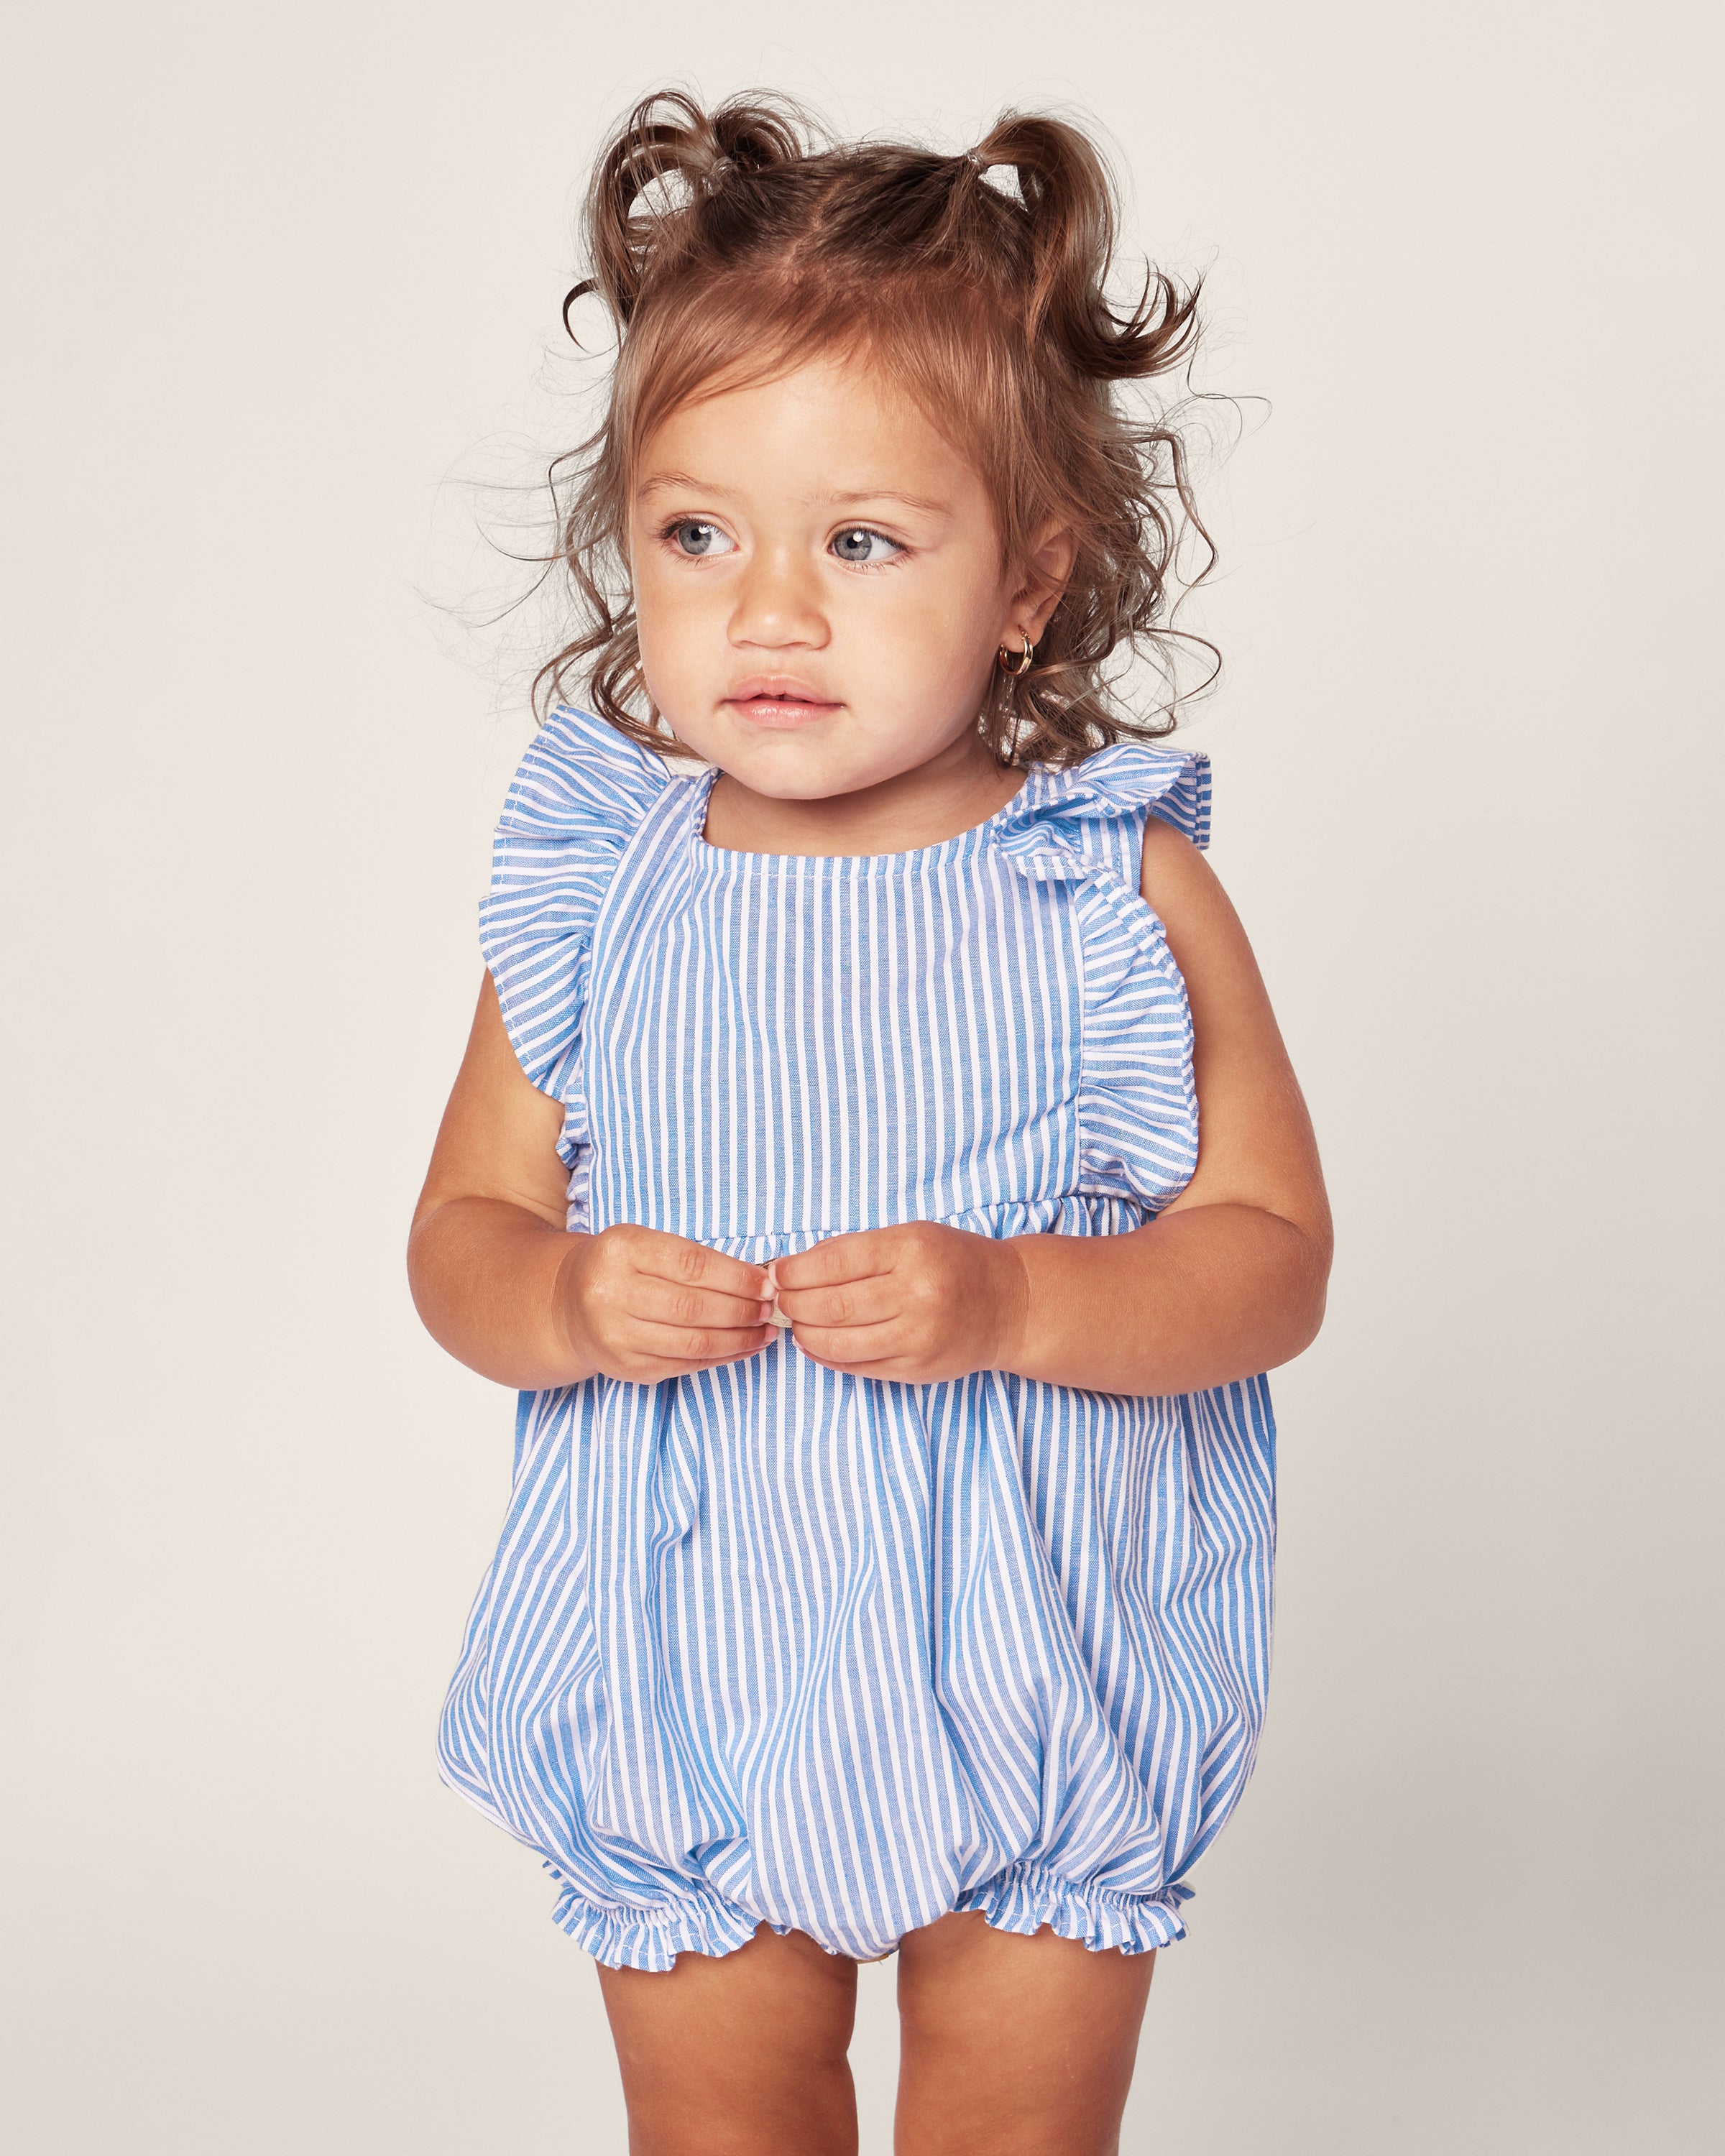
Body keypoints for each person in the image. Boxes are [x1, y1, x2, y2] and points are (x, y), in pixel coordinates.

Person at [408, 87, 1331, 2156]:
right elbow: (459, 1237)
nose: (770, 609)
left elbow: (1270, 1261)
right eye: (697, 533)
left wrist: (1015, 1298)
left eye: (864, 541)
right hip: (690, 1682)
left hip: (1038, 1674)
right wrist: (560, 1290)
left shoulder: (1109, 887)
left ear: (1029, 581)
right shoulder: (597, 879)